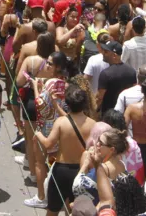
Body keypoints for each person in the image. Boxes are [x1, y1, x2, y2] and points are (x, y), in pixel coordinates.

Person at [34, 84, 96, 216]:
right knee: (76, 209)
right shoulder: (93, 124)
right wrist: (56, 107)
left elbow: (48, 144)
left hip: (61, 170)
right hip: (81, 171)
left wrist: (38, 133)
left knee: (53, 209)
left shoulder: (61, 122)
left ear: (67, 103)